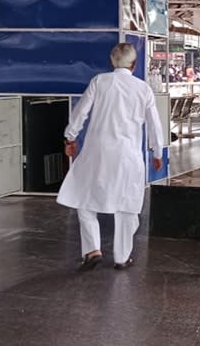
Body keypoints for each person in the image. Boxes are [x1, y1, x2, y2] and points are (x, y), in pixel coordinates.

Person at [58, 43, 165, 271]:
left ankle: (92, 249)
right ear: (134, 64)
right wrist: (157, 152)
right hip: (128, 155)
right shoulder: (143, 88)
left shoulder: (100, 81)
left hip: (96, 152)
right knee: (127, 206)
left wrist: (70, 138)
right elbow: (154, 125)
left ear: (112, 61)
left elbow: (81, 112)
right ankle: (121, 257)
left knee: (83, 198)